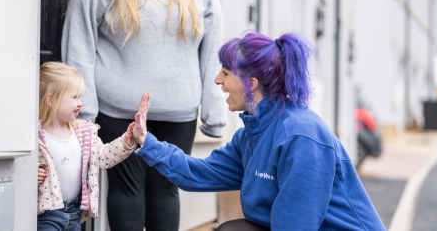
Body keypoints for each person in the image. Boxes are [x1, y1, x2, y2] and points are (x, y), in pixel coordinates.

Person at [130, 32, 387, 230]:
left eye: (225, 72)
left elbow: (295, 225)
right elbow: (199, 173)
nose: (217, 80)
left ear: (250, 84)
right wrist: (146, 142)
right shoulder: (252, 133)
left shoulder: (300, 136)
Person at [61, 0, 226, 230]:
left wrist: (214, 112)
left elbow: (213, 48)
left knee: (166, 191)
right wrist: (83, 114)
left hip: (179, 114)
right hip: (120, 111)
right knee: (127, 191)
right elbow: (79, 42)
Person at [36, 62, 137, 230]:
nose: (81, 103)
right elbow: (21, 166)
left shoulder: (83, 132)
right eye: (75, 97)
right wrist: (31, 173)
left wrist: (126, 142)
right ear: (51, 100)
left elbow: (103, 156)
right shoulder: (36, 134)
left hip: (74, 212)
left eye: (81, 97)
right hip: (47, 216)